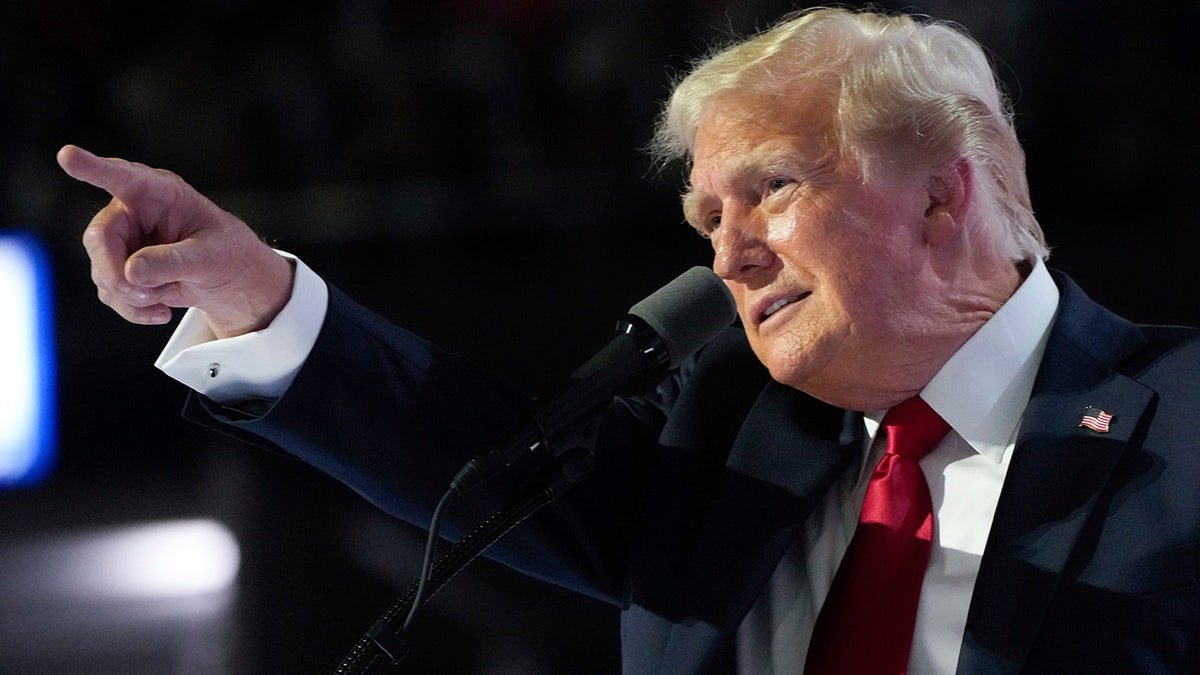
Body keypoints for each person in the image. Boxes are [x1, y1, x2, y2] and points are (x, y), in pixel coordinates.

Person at [59, 6, 1200, 674]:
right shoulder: (722, 441)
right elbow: (470, 455)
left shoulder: (1184, 420)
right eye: (710, 218)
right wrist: (254, 291)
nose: (729, 254)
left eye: (773, 191)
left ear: (943, 200)